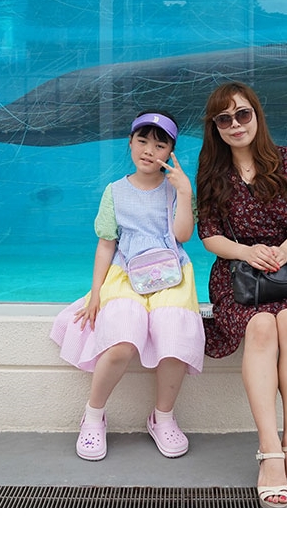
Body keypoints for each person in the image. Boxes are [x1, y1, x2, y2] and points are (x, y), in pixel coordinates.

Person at [195, 82, 287, 508]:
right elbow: (209, 235)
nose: (235, 125)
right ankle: (269, 452)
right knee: (262, 326)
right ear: (215, 127)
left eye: (242, 114)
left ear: (256, 115)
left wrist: (281, 252)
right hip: (237, 274)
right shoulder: (212, 171)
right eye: (224, 119)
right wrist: (247, 252)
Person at [50, 110, 204, 462]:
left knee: (173, 341)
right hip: (125, 273)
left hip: (171, 272)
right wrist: (96, 292)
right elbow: (106, 244)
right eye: (142, 140)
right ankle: (93, 415)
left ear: (171, 152)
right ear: (130, 143)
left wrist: (184, 191)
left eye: (160, 145)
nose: (149, 150)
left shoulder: (175, 189)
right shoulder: (115, 191)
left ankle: (162, 417)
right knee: (121, 343)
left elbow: (182, 236)